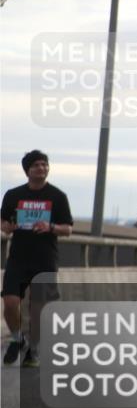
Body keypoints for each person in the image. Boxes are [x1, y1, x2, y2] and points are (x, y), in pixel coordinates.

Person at [1, 151, 73, 367]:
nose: (41, 168)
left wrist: (50, 227)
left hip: (45, 258)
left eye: (44, 164)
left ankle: (34, 350)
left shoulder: (57, 196)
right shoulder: (13, 195)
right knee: (10, 302)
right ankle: (17, 338)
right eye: (36, 165)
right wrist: (7, 227)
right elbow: (3, 223)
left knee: (39, 308)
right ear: (27, 170)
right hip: (18, 258)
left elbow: (68, 229)